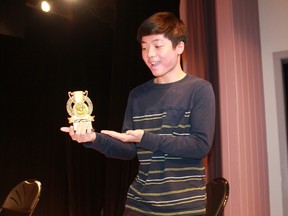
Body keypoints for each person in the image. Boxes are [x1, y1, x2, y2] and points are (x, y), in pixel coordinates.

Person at [61, 11, 215, 216]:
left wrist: (146, 138)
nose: (150, 54)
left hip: (184, 207)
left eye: (158, 46)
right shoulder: (138, 95)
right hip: (139, 204)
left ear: (179, 47)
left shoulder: (200, 89)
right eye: (144, 47)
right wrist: (93, 139)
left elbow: (200, 146)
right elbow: (129, 149)